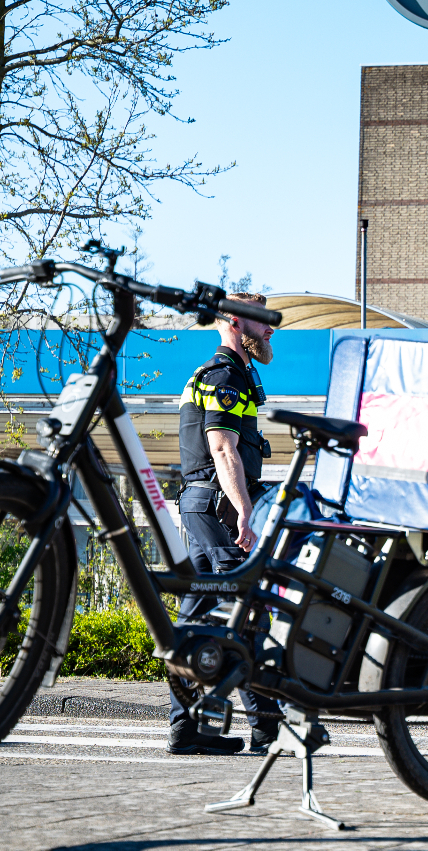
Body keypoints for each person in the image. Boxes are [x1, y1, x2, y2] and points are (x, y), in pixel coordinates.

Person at [165, 291, 281, 754]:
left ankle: (187, 728)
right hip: (219, 509)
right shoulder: (225, 374)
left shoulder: (230, 373)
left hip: (204, 507)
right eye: (261, 320)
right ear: (235, 321)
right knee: (245, 612)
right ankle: (266, 727)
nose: (270, 327)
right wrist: (246, 513)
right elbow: (222, 448)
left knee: (198, 620)